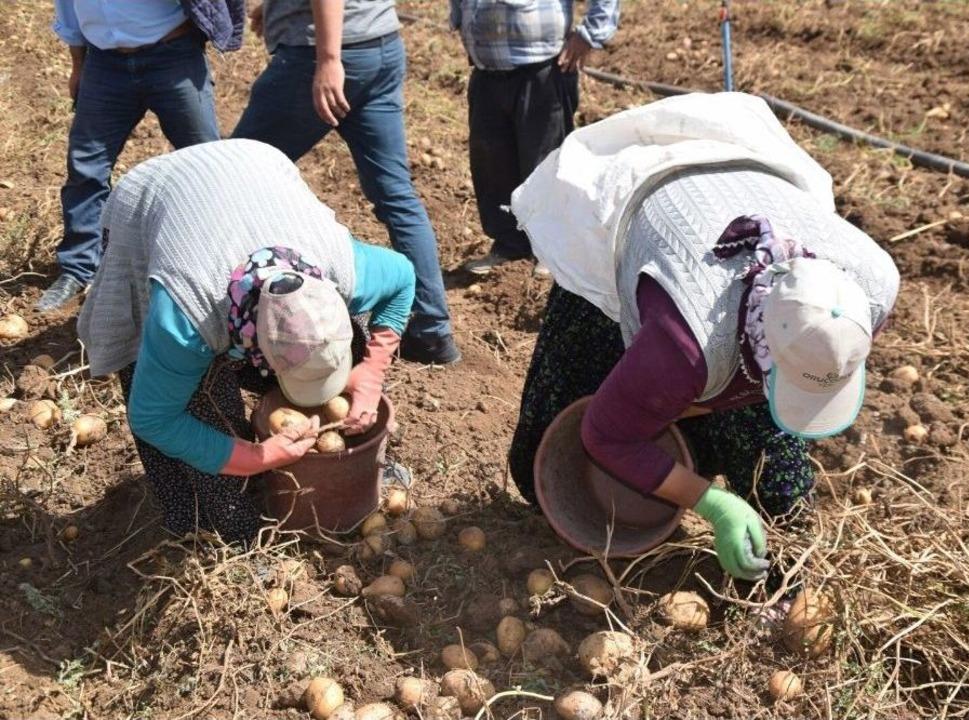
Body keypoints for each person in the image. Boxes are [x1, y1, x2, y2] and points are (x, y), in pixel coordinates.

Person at [508, 93, 900, 581]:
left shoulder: (875, 280)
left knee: (778, 482)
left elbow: (825, 347)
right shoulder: (687, 343)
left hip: (751, 186)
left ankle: (780, 571)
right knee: (570, 405)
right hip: (630, 212)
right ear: (762, 348)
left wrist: (707, 407)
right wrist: (711, 503)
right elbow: (603, 434)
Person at [77, 139, 416, 544]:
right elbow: (152, 418)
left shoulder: (343, 267)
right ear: (256, 347)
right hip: (153, 196)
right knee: (197, 403)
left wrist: (372, 372)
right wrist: (260, 457)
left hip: (253, 164)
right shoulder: (185, 320)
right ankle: (217, 526)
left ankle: (341, 473)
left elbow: (404, 279)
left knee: (360, 340)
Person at [233, 1, 460, 366]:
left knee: (234, 174)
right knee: (395, 194)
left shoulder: (326, 58)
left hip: (323, 55)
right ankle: (431, 331)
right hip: (379, 44)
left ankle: (231, 316)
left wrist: (328, 59)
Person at [39, 0, 245, 312]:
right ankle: (78, 268)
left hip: (173, 55)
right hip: (104, 65)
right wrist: (78, 65)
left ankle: (229, 264)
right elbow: (69, 7)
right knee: (86, 166)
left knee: (206, 163)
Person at [450, 0, 620, 277]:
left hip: (543, 65)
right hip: (486, 68)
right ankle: (509, 244)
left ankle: (552, 250)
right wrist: (461, 18)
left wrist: (590, 34)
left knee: (544, 162)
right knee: (492, 162)